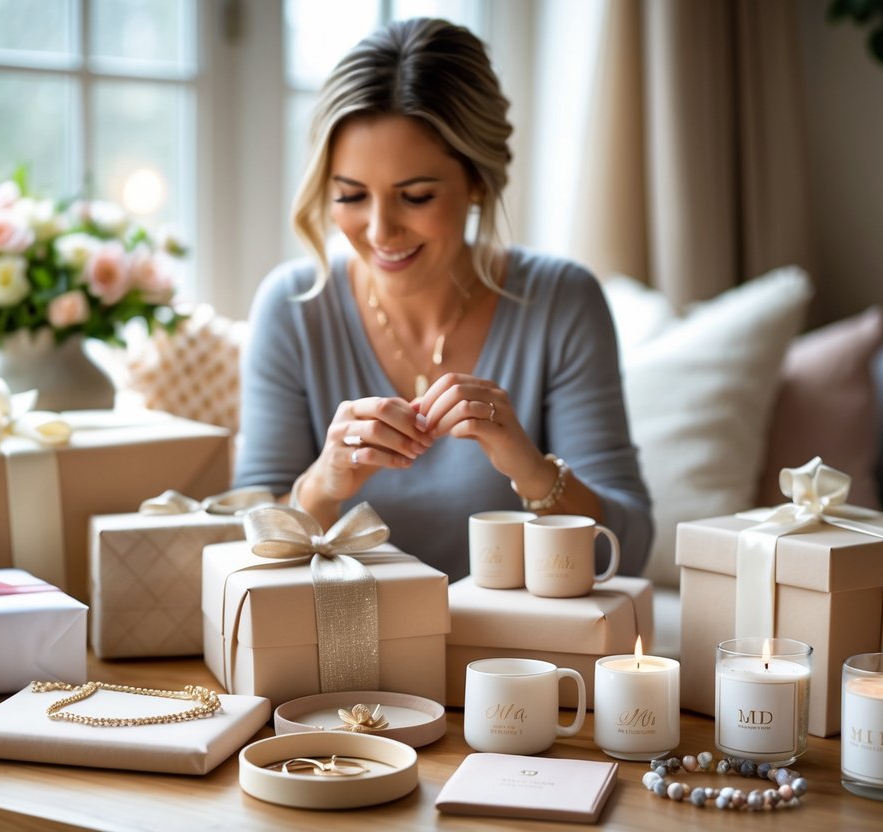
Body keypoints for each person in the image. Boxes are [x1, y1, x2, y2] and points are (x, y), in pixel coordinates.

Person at [233, 17, 652, 579]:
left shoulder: (562, 301)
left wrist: (530, 470)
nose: (380, 230)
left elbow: (624, 550)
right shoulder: (290, 308)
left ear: (477, 181)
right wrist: (322, 482)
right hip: (338, 656)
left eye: (416, 196)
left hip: (516, 662)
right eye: (351, 195)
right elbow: (243, 548)